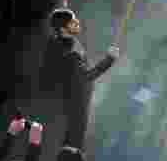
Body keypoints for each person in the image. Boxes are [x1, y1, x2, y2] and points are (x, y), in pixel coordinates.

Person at [40, 8, 118, 150]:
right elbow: (87, 76)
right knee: (73, 139)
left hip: (64, 100)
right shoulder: (70, 54)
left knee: (71, 138)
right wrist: (109, 60)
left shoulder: (58, 41)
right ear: (63, 29)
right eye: (72, 22)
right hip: (73, 103)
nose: (76, 22)